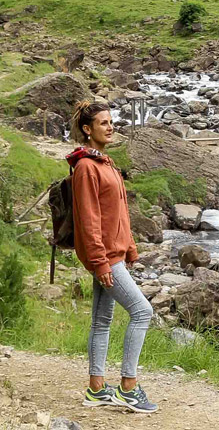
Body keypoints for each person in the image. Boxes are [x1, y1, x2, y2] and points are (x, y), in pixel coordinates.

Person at [68, 101, 157, 414]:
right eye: (103, 123)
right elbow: (89, 218)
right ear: (87, 130)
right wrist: (100, 261)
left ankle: (96, 388)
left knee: (102, 320)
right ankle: (128, 387)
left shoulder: (106, 163)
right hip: (104, 256)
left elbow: (118, 210)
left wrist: (129, 244)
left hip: (114, 253)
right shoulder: (85, 168)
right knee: (142, 312)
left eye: (111, 121)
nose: (110, 126)